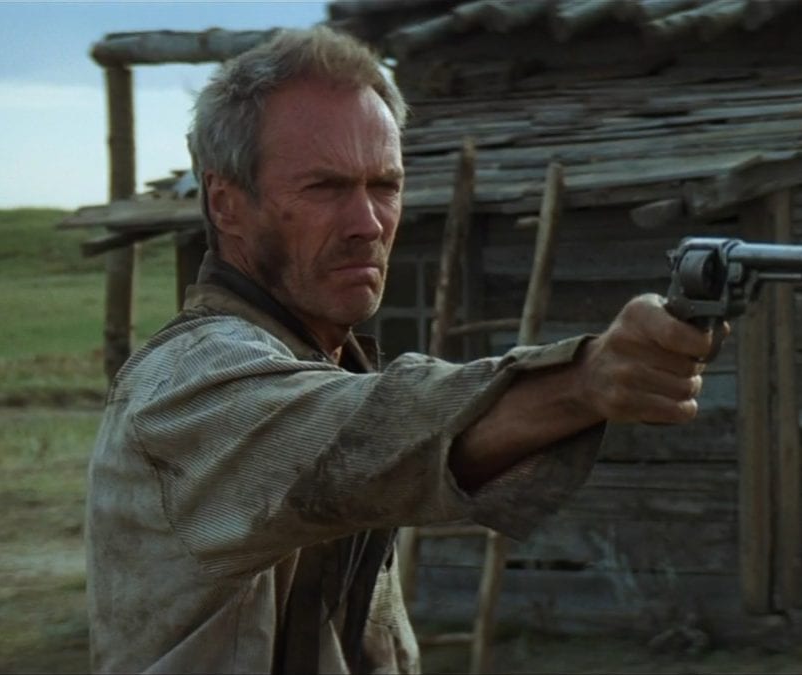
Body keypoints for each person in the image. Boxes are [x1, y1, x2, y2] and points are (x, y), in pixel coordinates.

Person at [84, 27, 718, 674]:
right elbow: (361, 431)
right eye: (325, 188)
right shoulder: (188, 384)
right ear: (226, 204)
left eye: (385, 185)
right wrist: (583, 379)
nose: (368, 224)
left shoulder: (325, 361)